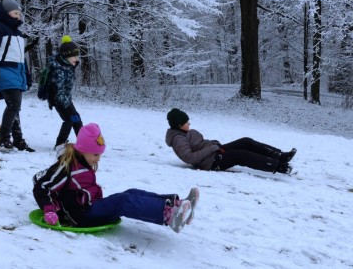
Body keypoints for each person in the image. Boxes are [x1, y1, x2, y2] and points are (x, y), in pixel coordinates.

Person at [32, 123, 199, 233]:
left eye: (100, 155)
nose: (98, 159)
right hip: (80, 216)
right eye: (95, 154)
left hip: (91, 207)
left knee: (131, 192)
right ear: (82, 149)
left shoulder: (82, 162)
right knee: (123, 201)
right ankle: (169, 216)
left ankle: (176, 205)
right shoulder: (67, 166)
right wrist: (49, 209)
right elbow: (41, 186)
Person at [165, 108, 297, 174]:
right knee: (241, 155)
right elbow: (189, 158)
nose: (189, 123)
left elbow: (199, 144)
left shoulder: (187, 132)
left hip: (214, 152)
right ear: (178, 125)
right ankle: (279, 167)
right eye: (186, 122)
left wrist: (213, 143)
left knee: (246, 141)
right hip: (211, 163)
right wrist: (211, 148)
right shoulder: (178, 140)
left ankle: (281, 156)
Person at [0, 0, 34, 152]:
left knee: (15, 107)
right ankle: (4, 139)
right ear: (5, 13)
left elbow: (21, 57)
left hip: (17, 73)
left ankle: (18, 139)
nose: (18, 15)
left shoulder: (18, 33)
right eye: (14, 12)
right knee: (14, 105)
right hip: (3, 71)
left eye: (19, 13)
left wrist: (27, 75)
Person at [46, 35, 83, 149]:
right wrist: (67, 104)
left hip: (66, 99)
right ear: (66, 56)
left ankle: (83, 142)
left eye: (77, 56)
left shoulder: (67, 66)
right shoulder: (59, 70)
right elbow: (58, 90)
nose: (76, 59)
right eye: (74, 56)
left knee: (76, 119)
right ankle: (60, 144)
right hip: (59, 100)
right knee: (69, 120)